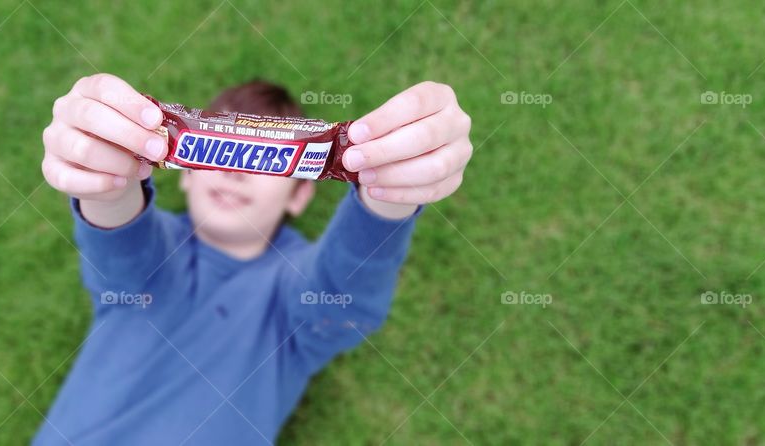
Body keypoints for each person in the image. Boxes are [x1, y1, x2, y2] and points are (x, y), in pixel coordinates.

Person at [34, 74, 473, 444]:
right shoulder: (149, 256)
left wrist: (390, 191)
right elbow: (116, 229)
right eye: (219, 147)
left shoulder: (295, 298)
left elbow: (346, 290)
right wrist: (104, 173)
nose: (235, 168)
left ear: (301, 194)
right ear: (186, 174)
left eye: (267, 160)